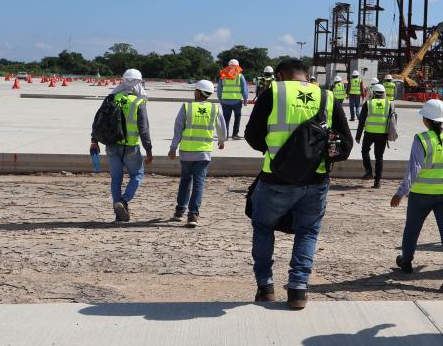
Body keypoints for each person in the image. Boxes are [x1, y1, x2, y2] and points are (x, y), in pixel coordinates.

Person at [244, 58, 353, 310]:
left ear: (280, 75)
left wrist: (277, 152)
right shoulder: (327, 97)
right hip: (315, 180)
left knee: (263, 227)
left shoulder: (273, 91)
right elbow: (345, 145)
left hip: (275, 178)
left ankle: (266, 287)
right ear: (306, 75)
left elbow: (252, 135)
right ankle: (298, 290)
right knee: (308, 231)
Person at [391, 99, 443, 295]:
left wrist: (400, 193)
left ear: (426, 119)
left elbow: (413, 170)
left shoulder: (421, 139)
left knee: (412, 227)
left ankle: (406, 263)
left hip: (422, 194)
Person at [90, 68, 154, 223]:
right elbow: (144, 130)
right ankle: (124, 201)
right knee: (137, 175)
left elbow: (98, 121)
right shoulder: (139, 102)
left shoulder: (111, 98)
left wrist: (94, 141)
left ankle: (119, 214)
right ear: (139, 83)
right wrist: (149, 150)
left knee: (116, 179)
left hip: (111, 145)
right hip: (131, 147)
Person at [169, 79, 227, 227]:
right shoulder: (215, 108)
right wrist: (222, 140)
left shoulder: (187, 107)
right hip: (204, 152)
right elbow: (222, 127)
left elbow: (178, 129)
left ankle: (179, 211)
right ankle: (193, 214)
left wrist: (173, 147)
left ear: (198, 92)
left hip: (186, 152)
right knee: (199, 183)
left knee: (185, 180)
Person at [355, 83, 396, 188]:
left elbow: (361, 121)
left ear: (373, 93)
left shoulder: (368, 104)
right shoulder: (389, 104)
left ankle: (368, 171)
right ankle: (377, 182)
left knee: (365, 151)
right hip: (382, 135)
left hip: (369, 133)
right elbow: (393, 121)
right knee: (379, 157)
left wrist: (358, 136)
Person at [217, 58, 248, 139]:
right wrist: (245, 99)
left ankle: (225, 135)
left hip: (225, 102)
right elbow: (244, 89)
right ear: (237, 66)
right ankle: (235, 134)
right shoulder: (240, 76)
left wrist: (220, 99)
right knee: (237, 118)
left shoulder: (223, 76)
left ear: (228, 66)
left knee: (226, 119)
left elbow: (219, 89)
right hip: (237, 102)